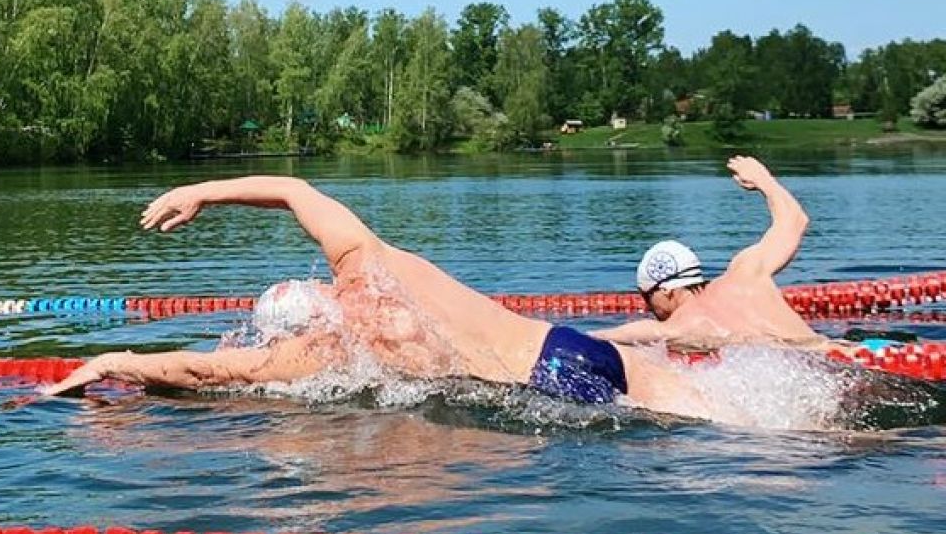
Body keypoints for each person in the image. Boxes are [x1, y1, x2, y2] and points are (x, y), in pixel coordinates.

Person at [43, 175, 709, 419]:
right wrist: (203, 192)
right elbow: (296, 191)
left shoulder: (321, 354)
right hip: (567, 348)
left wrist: (110, 361)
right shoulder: (368, 263)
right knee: (738, 414)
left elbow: (205, 369)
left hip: (543, 395)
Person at [593, 156, 824, 352]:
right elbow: (794, 219)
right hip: (844, 354)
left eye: (647, 298)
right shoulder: (747, 272)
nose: (650, 309)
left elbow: (601, 338)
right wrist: (763, 179)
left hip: (810, 380)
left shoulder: (679, 328)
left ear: (665, 291)